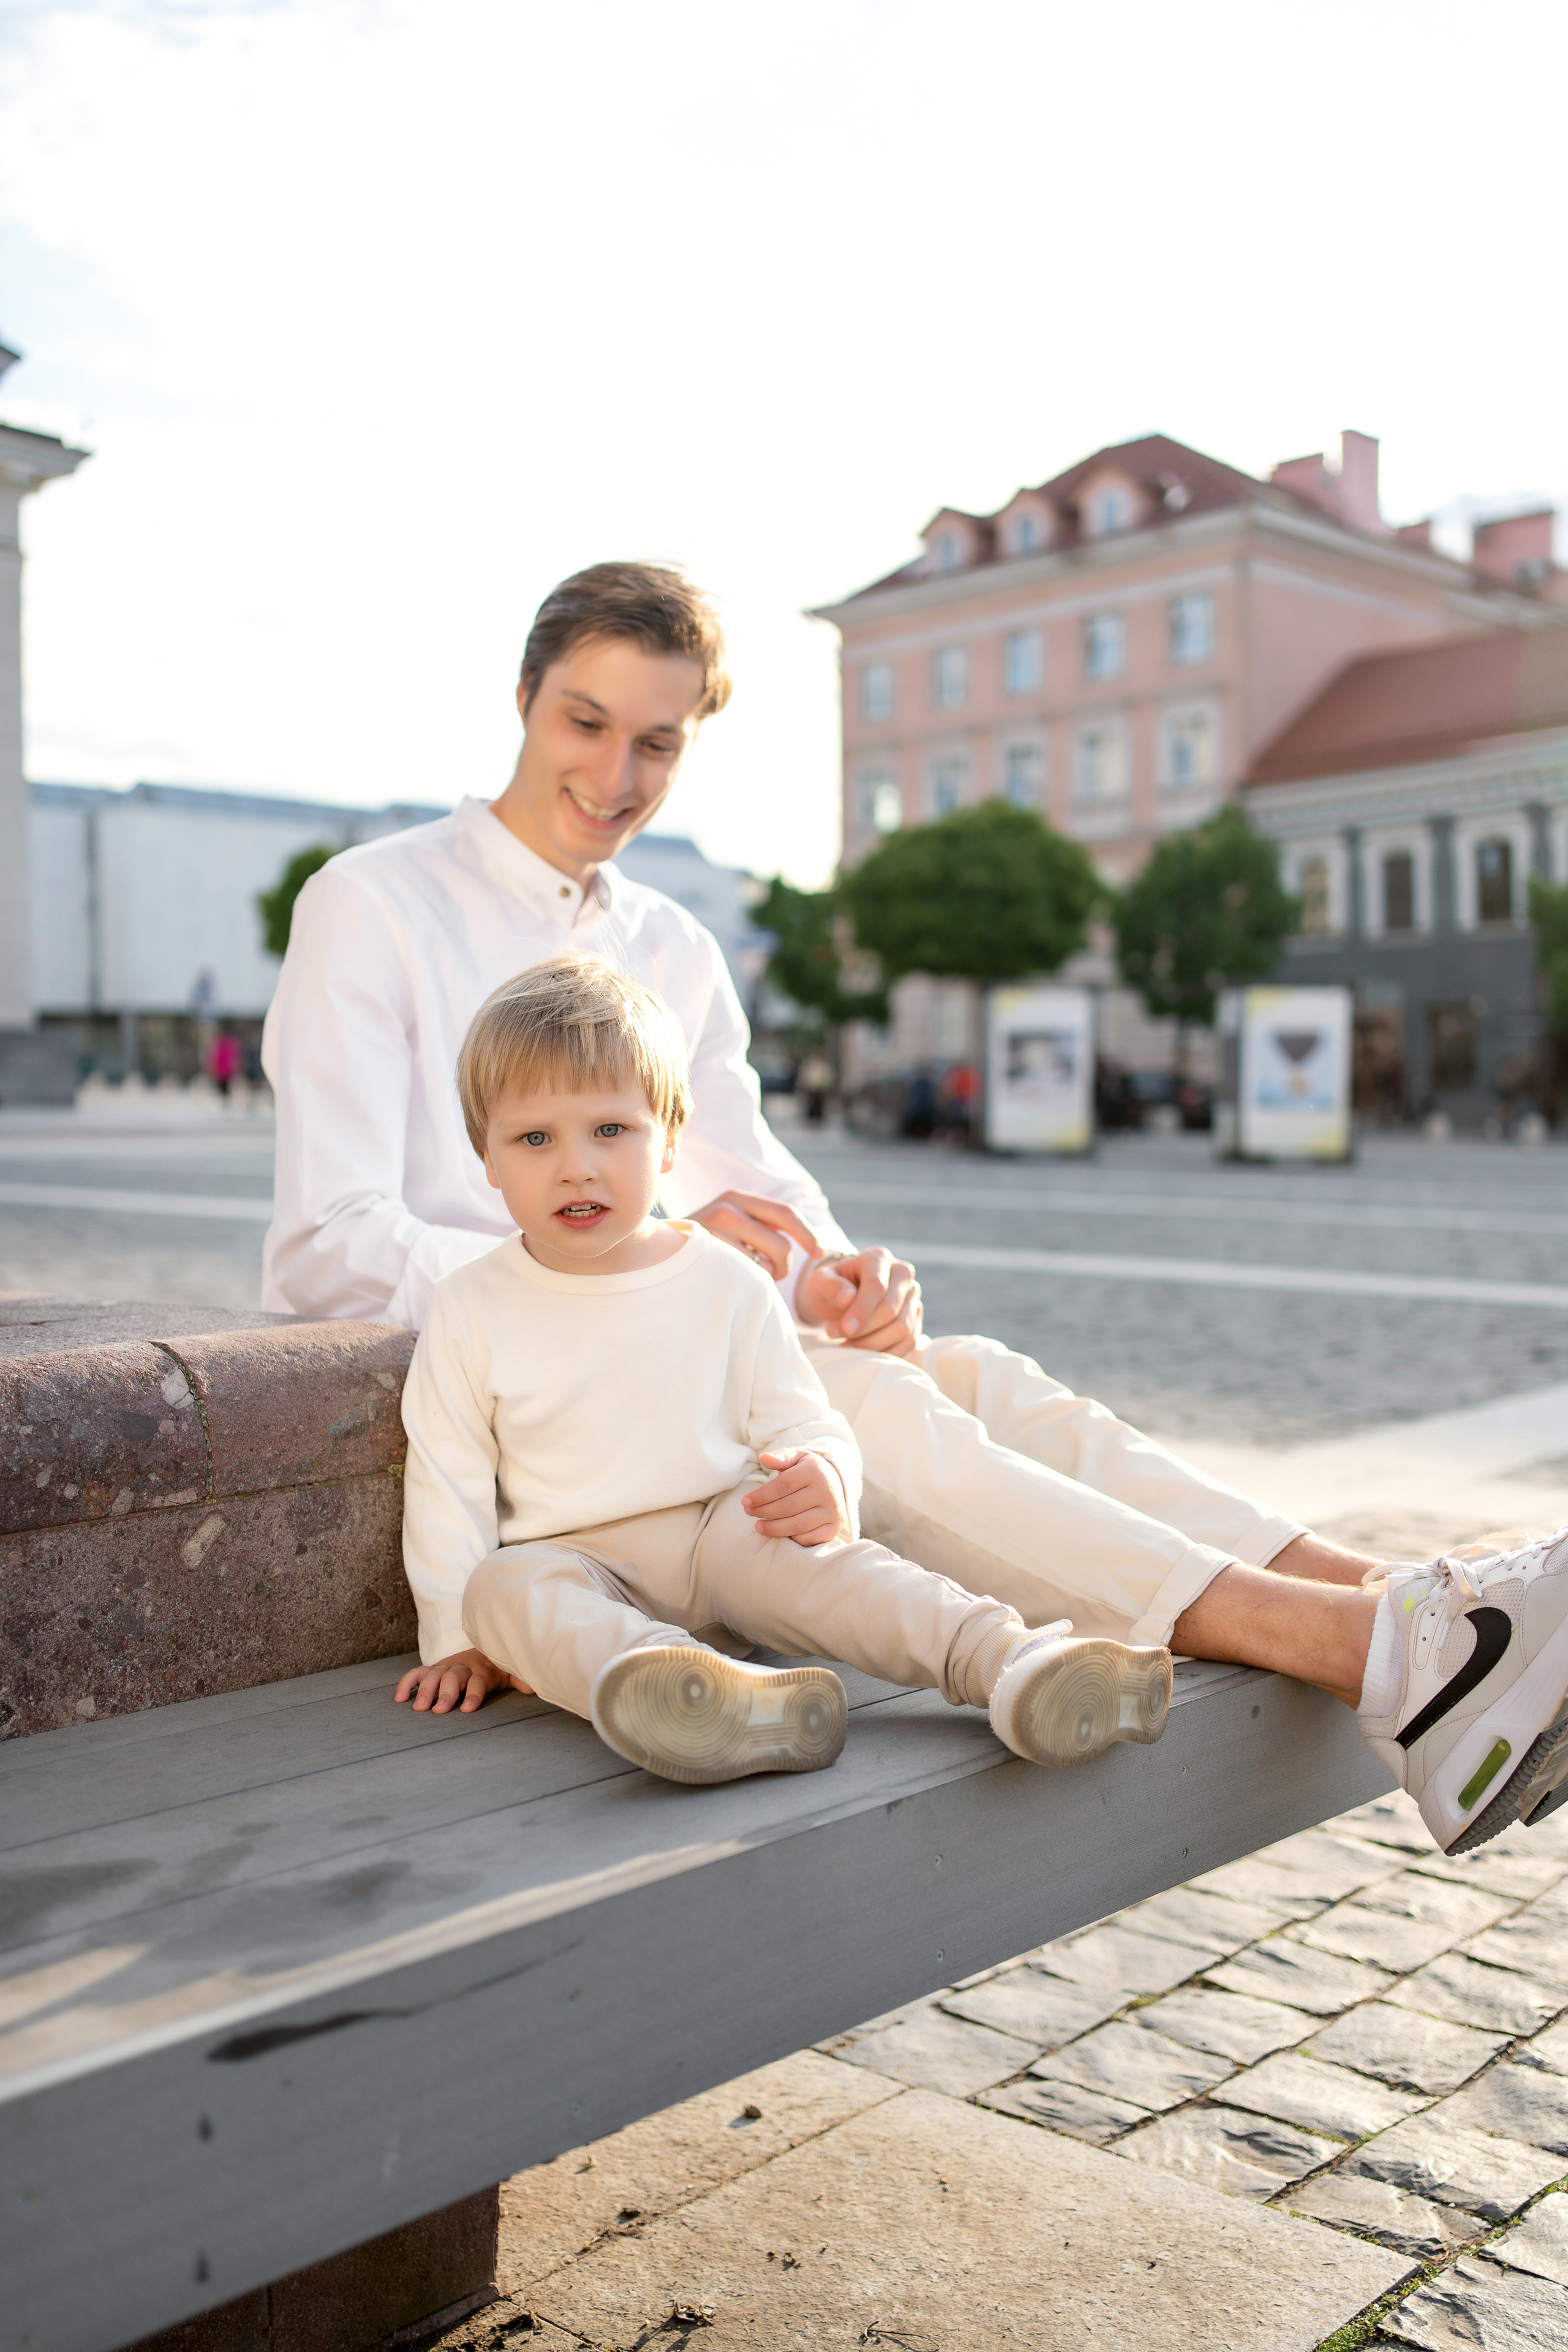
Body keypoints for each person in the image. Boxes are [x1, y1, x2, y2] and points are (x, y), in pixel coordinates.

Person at [264, 560, 1568, 1854]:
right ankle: (1374, 1650)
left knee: (975, 1376)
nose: (615, 778)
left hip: (688, 1364)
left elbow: (753, 1176)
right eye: (585, 724)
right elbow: (327, 1243)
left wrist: (834, 1271)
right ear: (524, 698)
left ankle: (1405, 1602)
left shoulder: (671, 944)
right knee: (870, 1410)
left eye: (655, 744)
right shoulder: (374, 902)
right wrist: (595, 1260)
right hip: (540, 1402)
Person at [394, 955, 1172, 1782]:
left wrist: (829, 1473)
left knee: (841, 1572)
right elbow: (447, 1486)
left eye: (611, 1130)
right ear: (486, 1156)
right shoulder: (469, 1305)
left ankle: (1011, 1661)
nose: (576, 1166)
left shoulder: (725, 1279)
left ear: (670, 1140)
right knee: (504, 1591)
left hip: (726, 1536)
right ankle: (703, 1698)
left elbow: (800, 1416)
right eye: (534, 1138)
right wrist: (456, 1640)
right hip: (581, 1567)